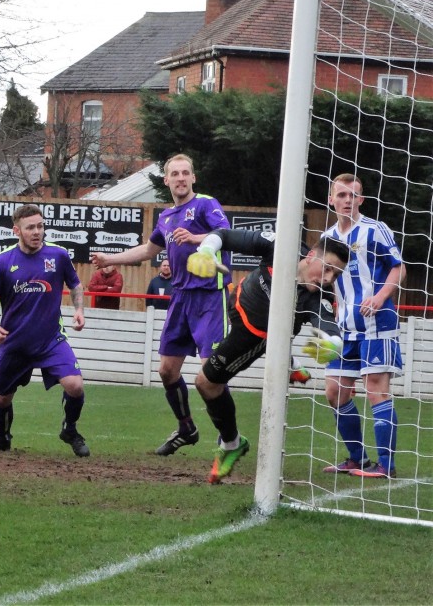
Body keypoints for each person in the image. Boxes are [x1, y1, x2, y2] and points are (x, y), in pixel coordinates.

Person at [91, 154, 231, 456]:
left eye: (186, 173)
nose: (180, 178)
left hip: (209, 295)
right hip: (180, 297)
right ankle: (186, 428)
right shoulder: (166, 217)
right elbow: (147, 250)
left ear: (193, 178)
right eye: (174, 174)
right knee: (167, 371)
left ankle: (227, 437)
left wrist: (196, 238)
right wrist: (110, 258)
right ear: (166, 180)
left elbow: (226, 236)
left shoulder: (206, 204)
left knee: (211, 374)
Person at [185, 229, 349, 483]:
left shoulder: (318, 296)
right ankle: (290, 363)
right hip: (237, 301)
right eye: (327, 268)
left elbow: (331, 329)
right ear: (311, 255)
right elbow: (223, 235)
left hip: (254, 335)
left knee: (205, 384)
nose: (328, 279)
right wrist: (206, 251)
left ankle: (232, 444)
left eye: (336, 274)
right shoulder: (281, 246)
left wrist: (333, 345)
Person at [0, 204, 90, 457]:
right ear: (17, 230)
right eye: (31, 228)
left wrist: (79, 310)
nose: (37, 232)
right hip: (15, 342)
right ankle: (2, 438)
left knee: (75, 386)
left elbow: (76, 284)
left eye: (40, 226)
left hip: (51, 340)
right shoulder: (3, 261)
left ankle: (69, 429)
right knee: (1, 400)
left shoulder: (58, 256)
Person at [321, 173, 404, 479]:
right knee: (335, 392)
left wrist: (381, 297)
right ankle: (357, 459)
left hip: (376, 325)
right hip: (344, 328)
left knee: (376, 390)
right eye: (341, 195)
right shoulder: (327, 238)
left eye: (353, 195)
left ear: (361, 200)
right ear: (331, 199)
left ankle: (386, 465)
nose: (347, 201)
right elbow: (328, 278)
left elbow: (399, 267)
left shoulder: (374, 230)